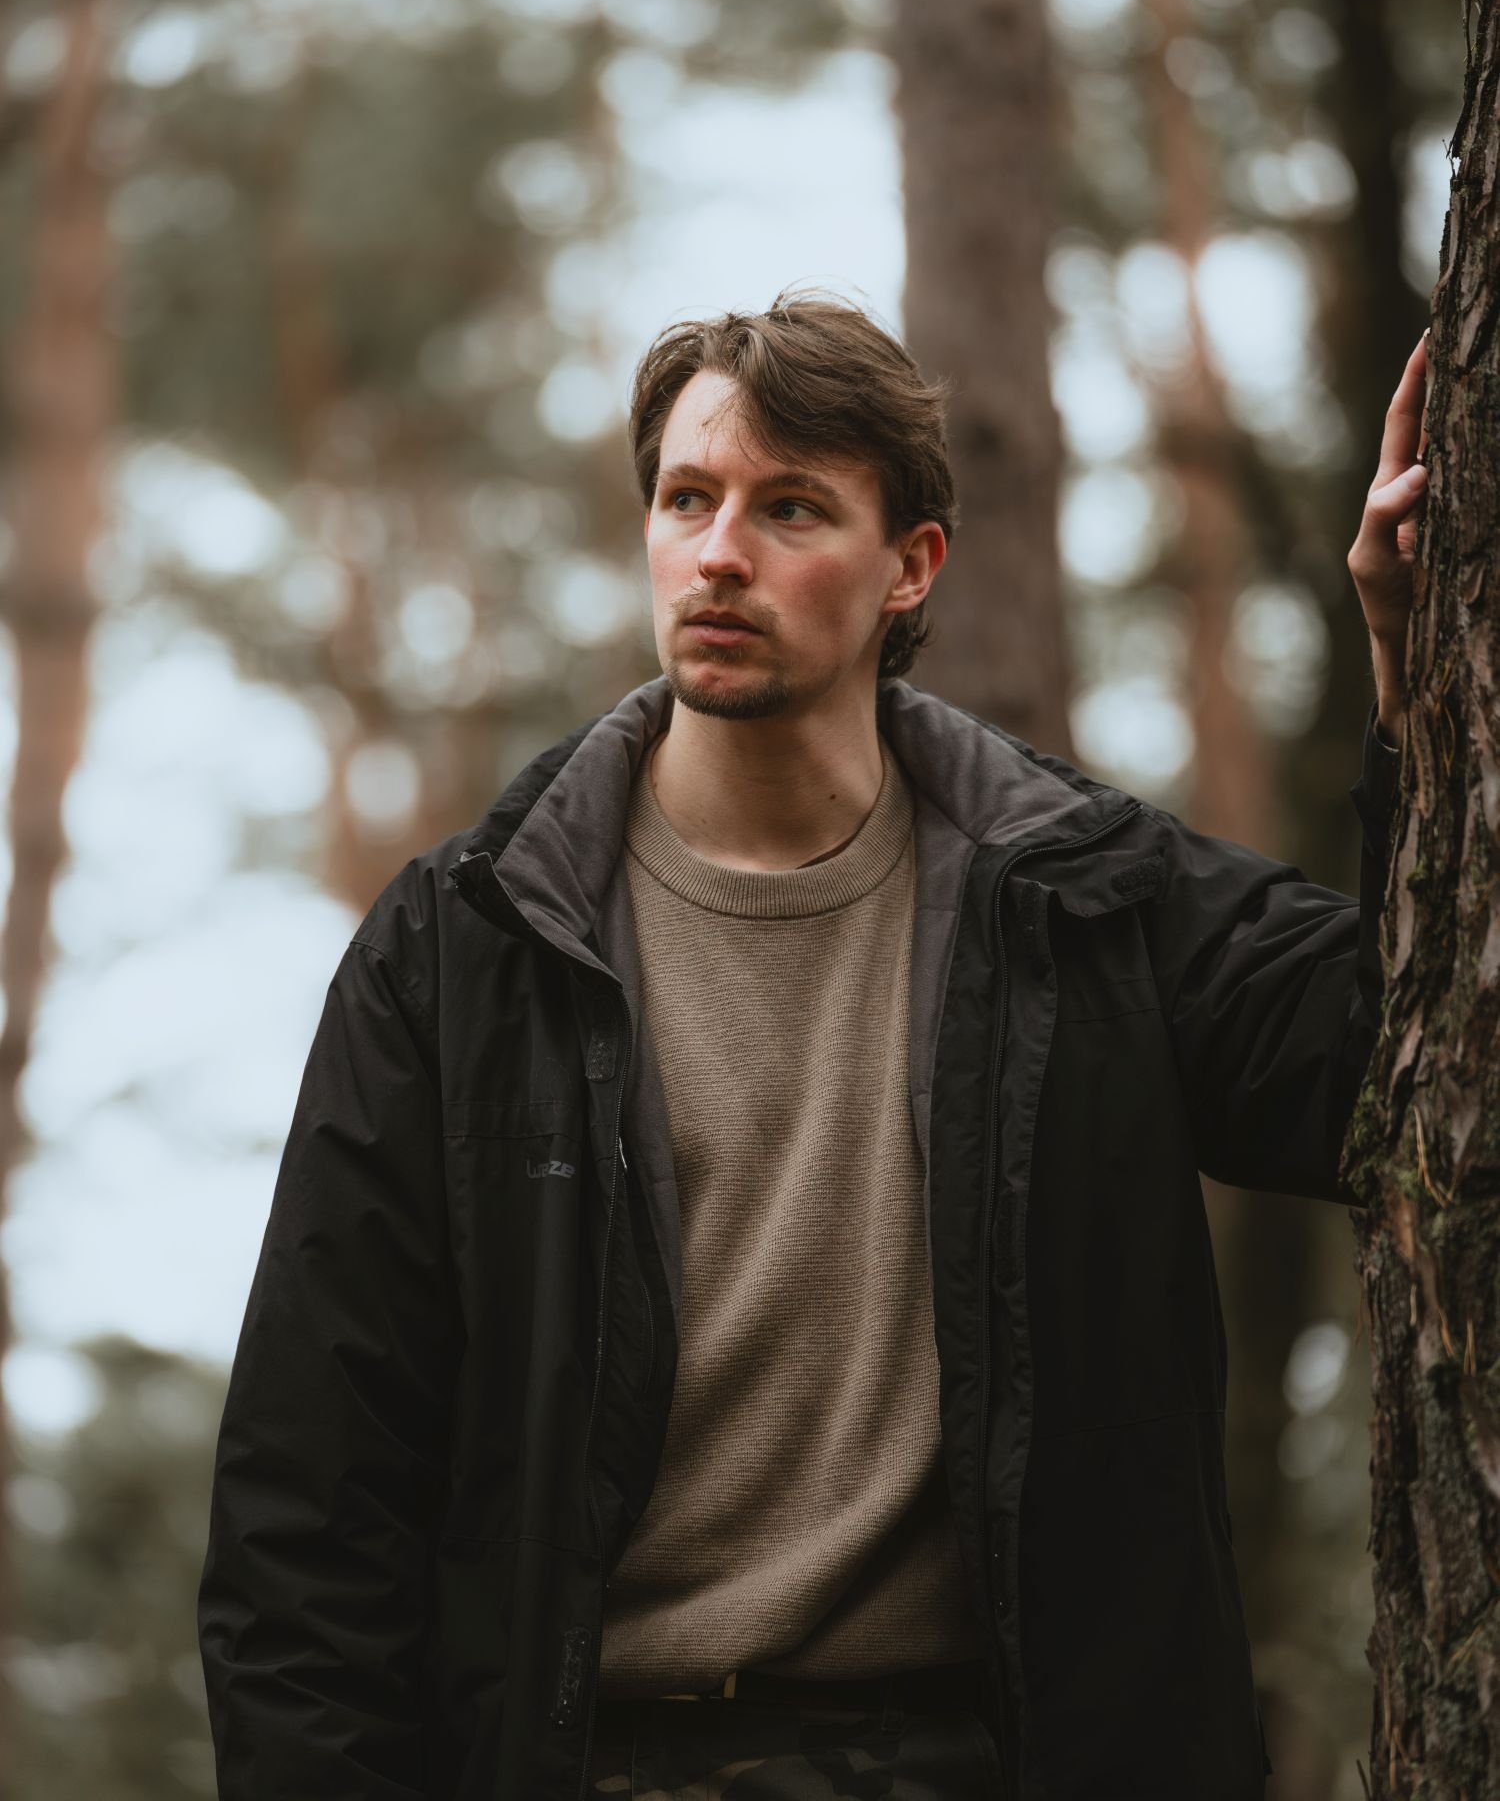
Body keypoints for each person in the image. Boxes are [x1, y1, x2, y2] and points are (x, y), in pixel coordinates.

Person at [198, 293, 1429, 1801]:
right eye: (687, 500)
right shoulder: (465, 949)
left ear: (913, 565)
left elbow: (1400, 1072)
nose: (721, 554)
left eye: (792, 509)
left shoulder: (1089, 898)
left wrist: (1409, 676)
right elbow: (310, 1507)